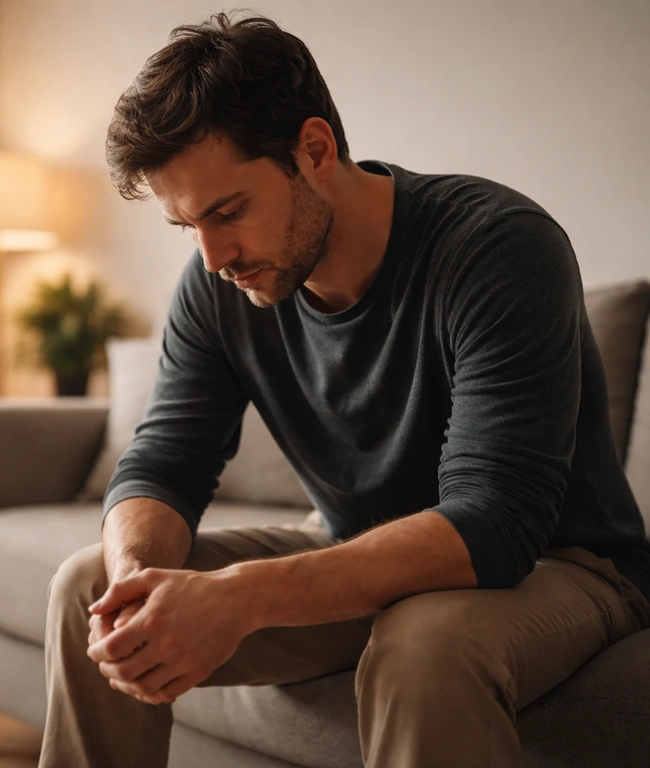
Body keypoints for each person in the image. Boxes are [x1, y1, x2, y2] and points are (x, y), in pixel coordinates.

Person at [40, 13, 650, 768]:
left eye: (228, 211)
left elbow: (495, 523)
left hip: (561, 563)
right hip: (349, 544)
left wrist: (240, 596)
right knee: (90, 589)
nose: (213, 256)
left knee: (424, 646)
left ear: (316, 150)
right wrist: (136, 581)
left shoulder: (498, 247)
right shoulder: (221, 282)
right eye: (186, 225)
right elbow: (164, 461)